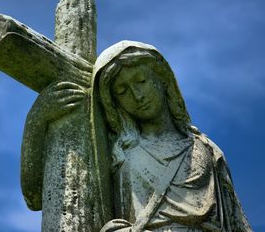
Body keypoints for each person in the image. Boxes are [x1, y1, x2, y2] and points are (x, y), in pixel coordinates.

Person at [93, 41, 252, 232]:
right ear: (115, 103)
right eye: (122, 91)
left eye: (141, 81)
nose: (137, 96)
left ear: (162, 79)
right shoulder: (119, 154)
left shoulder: (206, 149)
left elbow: (236, 220)